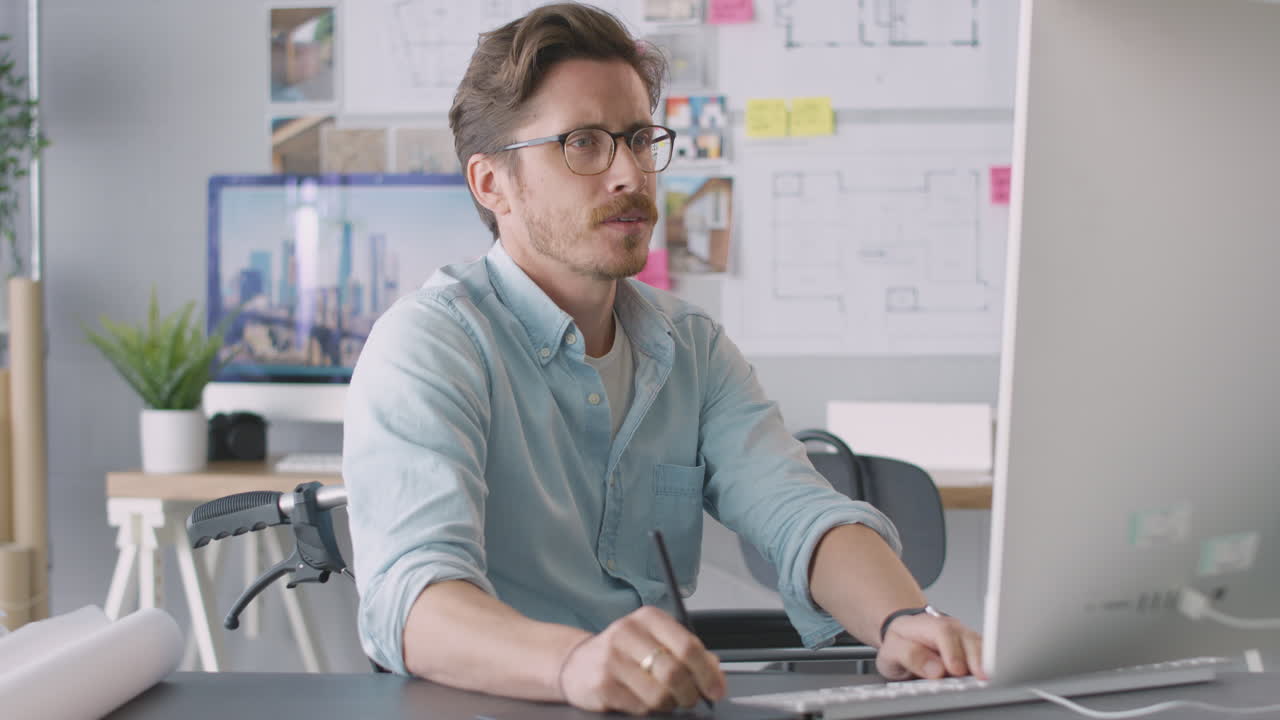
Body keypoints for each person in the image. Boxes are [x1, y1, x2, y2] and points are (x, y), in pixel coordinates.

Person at [343, 3, 984, 715]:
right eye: (584, 143)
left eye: (640, 139)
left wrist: (905, 623)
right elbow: (412, 601)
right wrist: (575, 663)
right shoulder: (429, 346)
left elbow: (799, 514)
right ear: (491, 183)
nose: (629, 174)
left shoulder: (692, 349)